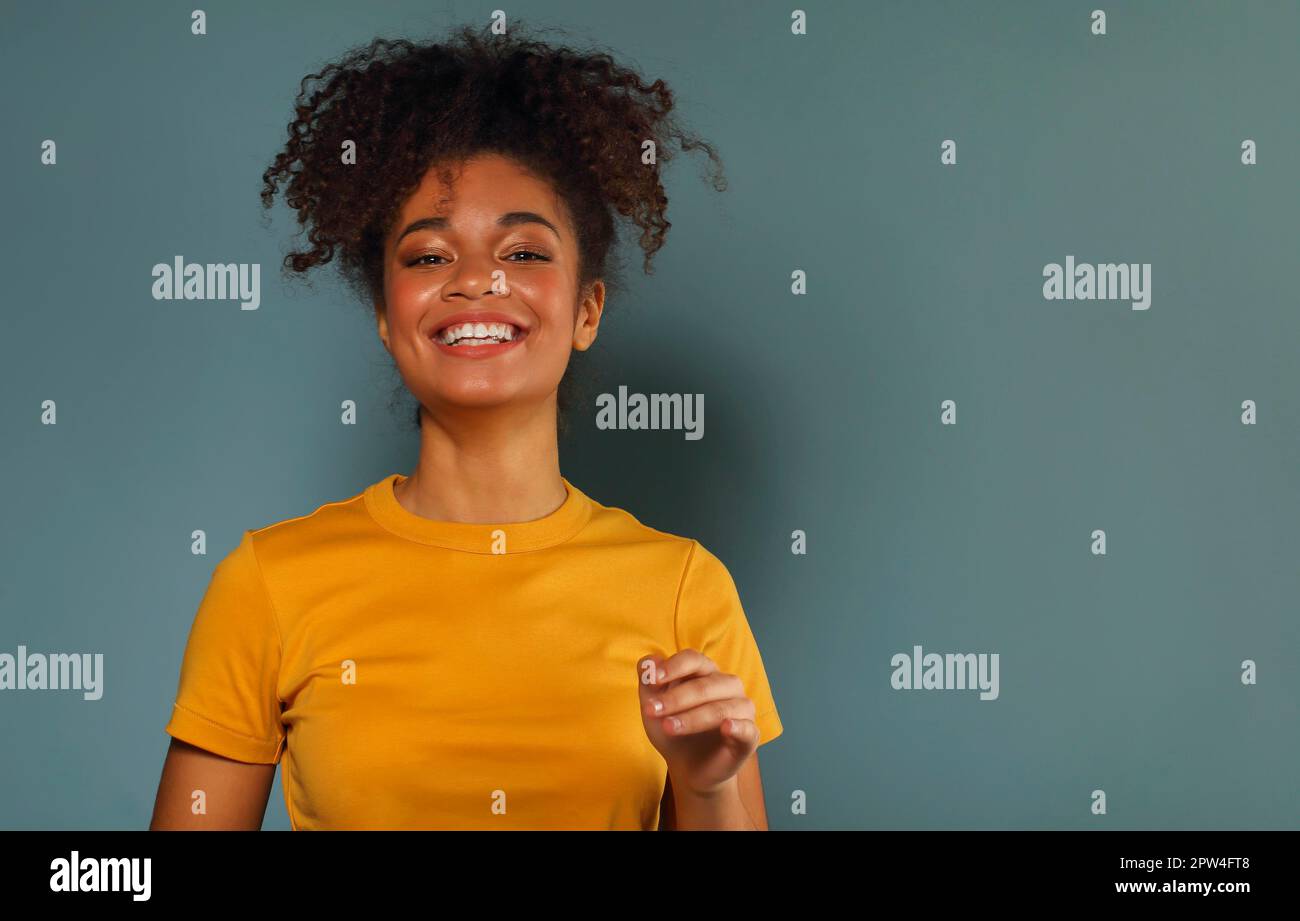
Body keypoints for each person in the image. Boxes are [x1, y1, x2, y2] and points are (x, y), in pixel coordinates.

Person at [150, 21, 782, 831]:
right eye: (427, 256)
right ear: (386, 313)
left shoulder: (686, 589)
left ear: (587, 310)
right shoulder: (266, 583)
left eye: (523, 253)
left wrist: (702, 786)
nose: (477, 279)